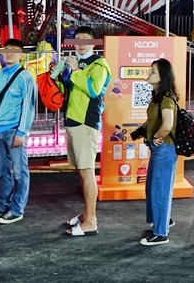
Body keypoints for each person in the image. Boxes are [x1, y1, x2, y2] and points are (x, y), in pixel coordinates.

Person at [55, 26, 111, 236]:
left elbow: (94, 90)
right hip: (73, 120)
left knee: (87, 171)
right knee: (81, 170)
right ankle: (86, 214)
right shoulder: (77, 63)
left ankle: (91, 221)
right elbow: (69, 89)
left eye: (85, 40)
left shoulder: (99, 64)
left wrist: (76, 71)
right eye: (77, 39)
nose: (80, 43)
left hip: (86, 122)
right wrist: (61, 76)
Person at [0, 39, 38, 225]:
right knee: (3, 171)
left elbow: (29, 107)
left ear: (21, 54)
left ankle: (16, 209)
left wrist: (22, 131)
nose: (9, 53)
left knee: (20, 172)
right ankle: (3, 205)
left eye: (14, 50)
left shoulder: (26, 77)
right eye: (6, 50)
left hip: (14, 131)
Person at [137, 59, 179, 246]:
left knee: (159, 190)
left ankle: (161, 233)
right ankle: (162, 222)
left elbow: (167, 124)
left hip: (164, 149)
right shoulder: (158, 96)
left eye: (153, 71)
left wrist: (156, 137)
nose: (149, 72)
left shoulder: (166, 98)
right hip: (159, 150)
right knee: (155, 188)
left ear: (162, 76)